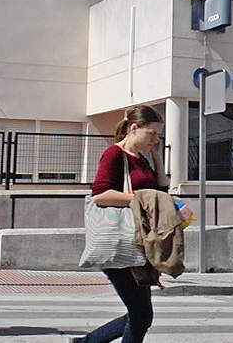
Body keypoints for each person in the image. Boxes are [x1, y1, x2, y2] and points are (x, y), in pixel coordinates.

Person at [70, 105, 169, 343]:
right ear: (134, 129)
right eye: (152, 134)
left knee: (139, 314)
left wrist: (156, 156)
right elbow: (100, 194)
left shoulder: (141, 158)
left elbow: (162, 188)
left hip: (137, 244)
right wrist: (139, 199)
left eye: (158, 135)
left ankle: (85, 342)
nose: (155, 139)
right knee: (141, 315)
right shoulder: (114, 154)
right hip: (117, 241)